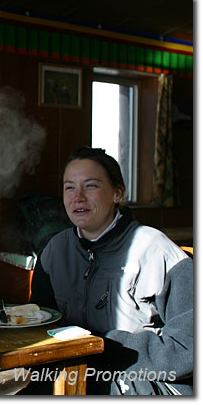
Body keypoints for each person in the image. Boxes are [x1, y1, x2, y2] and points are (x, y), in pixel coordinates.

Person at [28, 146, 193, 395]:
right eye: (69, 187)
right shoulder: (54, 252)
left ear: (117, 193)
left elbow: (187, 350)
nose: (78, 197)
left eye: (91, 185)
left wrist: (101, 345)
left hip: (144, 383)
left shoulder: (158, 252)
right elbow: (40, 325)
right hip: (76, 375)